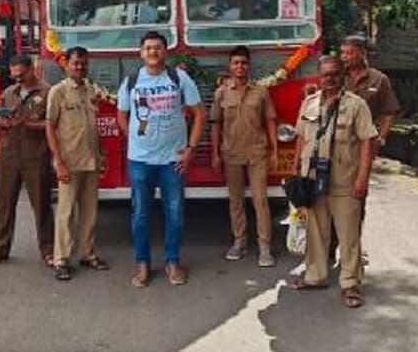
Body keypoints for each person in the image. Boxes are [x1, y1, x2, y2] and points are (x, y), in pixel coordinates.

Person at [287, 55, 378, 308]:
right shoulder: (309, 103)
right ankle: (315, 276)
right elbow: (301, 138)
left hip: (345, 181)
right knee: (316, 232)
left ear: (343, 75)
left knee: (348, 235)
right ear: (319, 75)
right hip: (313, 180)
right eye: (325, 74)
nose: (330, 78)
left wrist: (362, 179)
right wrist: (296, 169)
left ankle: (350, 284)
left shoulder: (356, 105)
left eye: (335, 73)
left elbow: (367, 142)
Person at [116, 31, 205, 287]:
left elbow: (199, 114)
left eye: (157, 48)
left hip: (172, 161)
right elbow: (122, 114)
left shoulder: (179, 78)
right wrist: (134, 139)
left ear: (165, 52)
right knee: (140, 214)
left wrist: (190, 148)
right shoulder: (132, 80)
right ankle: (143, 264)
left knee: (175, 214)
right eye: (148, 48)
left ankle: (172, 261)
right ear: (141, 53)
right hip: (140, 161)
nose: (153, 52)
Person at [0, 55, 53, 269]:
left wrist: (27, 123)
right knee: (4, 204)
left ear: (32, 70)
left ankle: (48, 249)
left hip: (35, 155)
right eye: (14, 76)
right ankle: (0, 248)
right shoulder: (8, 93)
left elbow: (53, 124)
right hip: (9, 155)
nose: (18, 80)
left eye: (21, 75)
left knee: (41, 204)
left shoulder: (48, 92)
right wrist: (1, 121)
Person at [211, 45, 279, 267]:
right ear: (230, 66)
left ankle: (264, 247)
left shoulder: (261, 92)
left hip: (257, 153)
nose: (239, 67)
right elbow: (216, 126)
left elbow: (270, 122)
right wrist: (215, 155)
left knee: (260, 200)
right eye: (236, 63)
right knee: (236, 201)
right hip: (231, 153)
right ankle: (239, 241)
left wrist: (275, 152)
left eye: (243, 63)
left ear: (249, 66)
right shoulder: (221, 92)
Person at [46, 46, 109, 281]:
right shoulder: (58, 92)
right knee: (65, 212)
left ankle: (87, 253)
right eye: (75, 63)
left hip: (91, 160)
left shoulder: (91, 90)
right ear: (67, 64)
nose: (80, 67)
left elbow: (94, 127)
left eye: (83, 63)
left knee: (90, 212)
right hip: (69, 161)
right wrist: (58, 161)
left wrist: (101, 155)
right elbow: (50, 127)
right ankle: (61, 259)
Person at [338, 34, 400, 263]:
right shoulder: (337, 76)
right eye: (342, 53)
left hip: (362, 149)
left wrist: (381, 138)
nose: (344, 57)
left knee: (357, 196)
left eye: (349, 53)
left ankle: (354, 246)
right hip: (335, 146)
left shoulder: (378, 80)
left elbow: (389, 112)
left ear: (362, 53)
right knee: (330, 195)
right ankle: (333, 244)